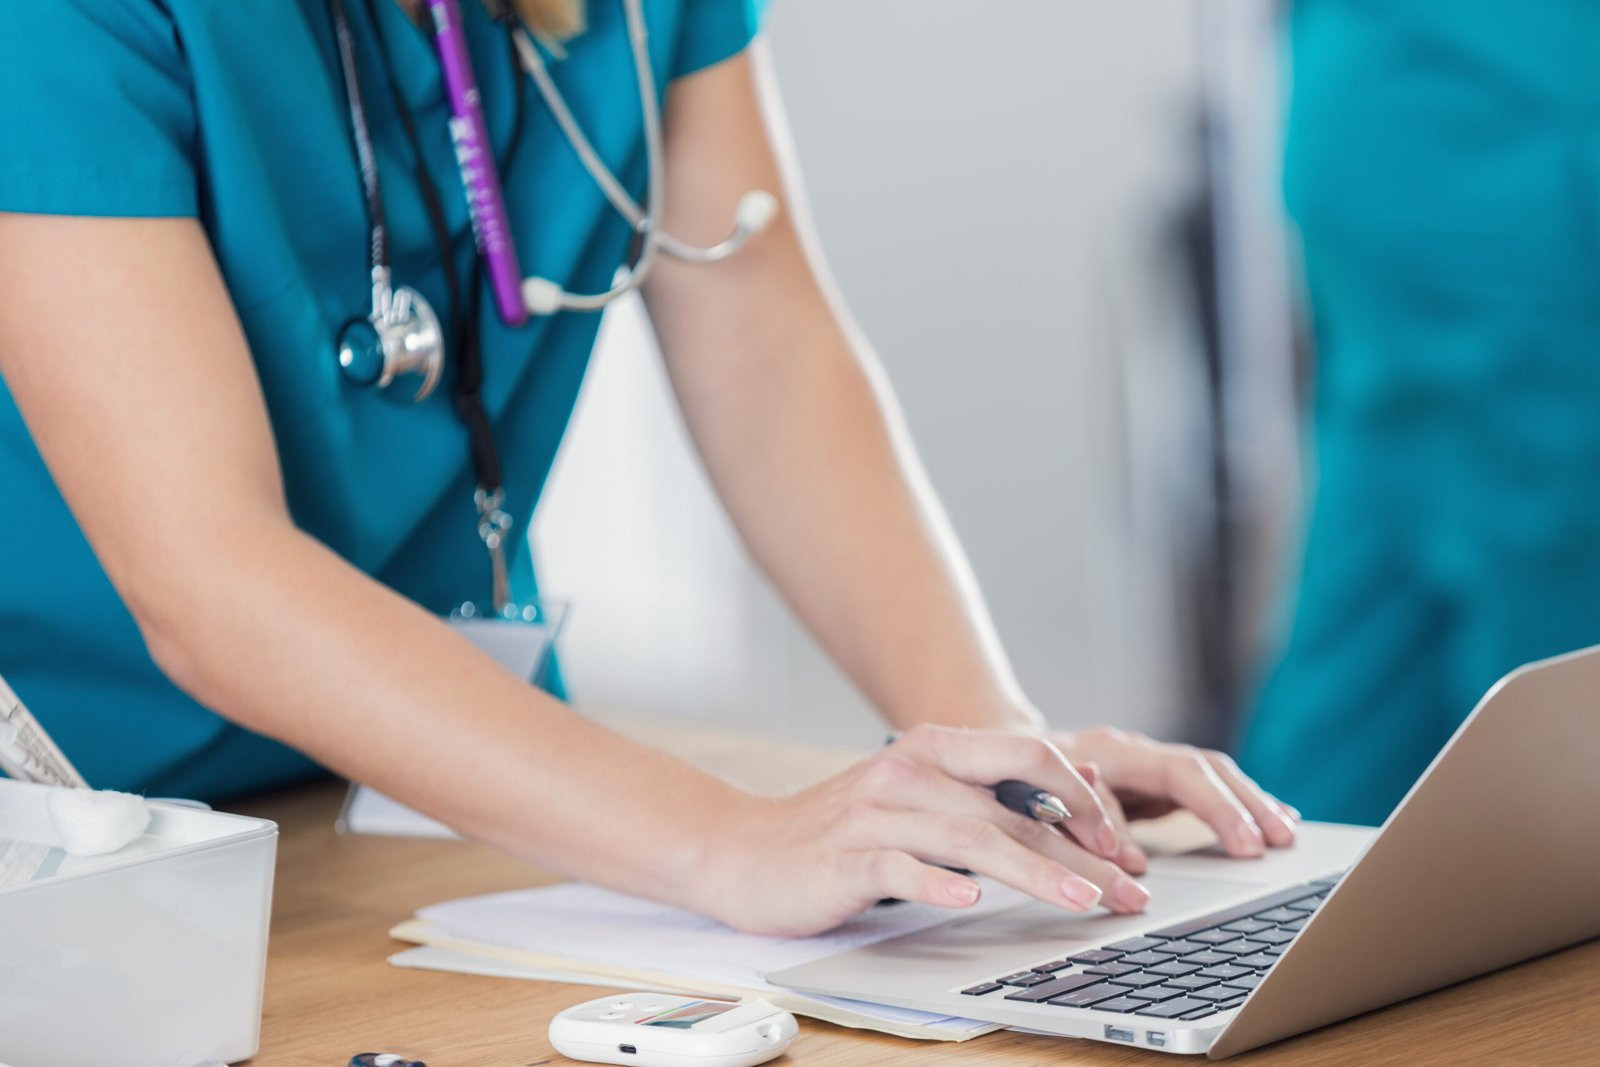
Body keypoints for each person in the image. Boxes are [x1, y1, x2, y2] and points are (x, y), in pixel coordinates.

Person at [0, 0, 1296, 938]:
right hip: (72, 839)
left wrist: (1003, 759)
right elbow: (206, 578)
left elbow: (771, 357)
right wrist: (732, 839)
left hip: (443, 782)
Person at [1240, 1, 1600, 826]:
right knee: (1558, 773)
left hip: (1405, 116)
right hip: (1515, 158)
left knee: (1365, 683)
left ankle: (1257, 938)